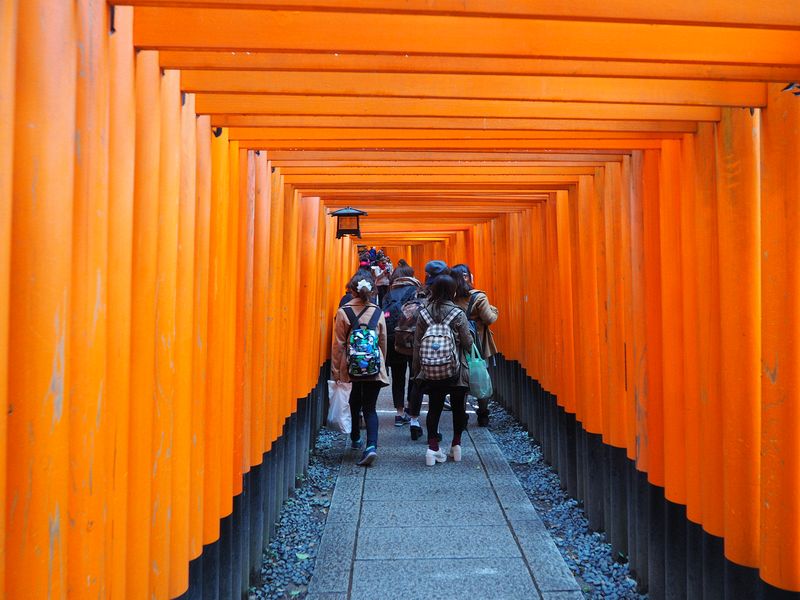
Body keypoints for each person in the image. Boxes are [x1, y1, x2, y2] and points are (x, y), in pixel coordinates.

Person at [412, 268, 473, 466]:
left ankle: (432, 449)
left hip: (431, 369)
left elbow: (418, 344)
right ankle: (456, 446)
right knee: (458, 408)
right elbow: (468, 343)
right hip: (455, 370)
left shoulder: (424, 313)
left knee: (434, 408)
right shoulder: (458, 313)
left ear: (434, 290)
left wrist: (417, 372)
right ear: (453, 292)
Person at [331, 271, 390, 466]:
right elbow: (382, 341)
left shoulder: (343, 312)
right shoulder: (377, 312)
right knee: (370, 408)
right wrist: (382, 364)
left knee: (354, 403)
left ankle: (355, 438)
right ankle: (371, 446)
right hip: (373, 366)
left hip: (350, 366)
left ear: (351, 290)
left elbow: (338, 344)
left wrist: (337, 372)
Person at [451, 263, 499, 427]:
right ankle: (483, 414)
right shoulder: (479, 297)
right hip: (477, 344)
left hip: (457, 344)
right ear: (468, 277)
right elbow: (489, 318)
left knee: (460, 381)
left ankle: (461, 417)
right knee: (481, 377)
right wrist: (494, 310)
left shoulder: (451, 298)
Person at [381, 259, 422, 432]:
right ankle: (412, 411)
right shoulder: (417, 291)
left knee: (397, 377)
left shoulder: (388, 294)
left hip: (393, 339)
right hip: (413, 340)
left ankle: (398, 413)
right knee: (414, 376)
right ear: (411, 275)